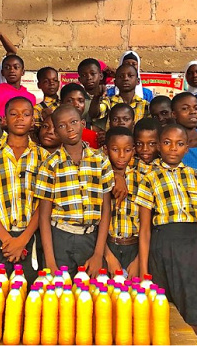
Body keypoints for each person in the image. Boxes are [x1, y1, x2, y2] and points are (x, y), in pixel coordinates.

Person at [135, 123, 197, 343]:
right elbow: (145, 229)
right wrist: (144, 270)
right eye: (167, 143)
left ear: (187, 148)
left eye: (179, 144)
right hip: (162, 244)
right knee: (162, 309)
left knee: (193, 307)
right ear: (158, 146)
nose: (173, 148)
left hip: (192, 245)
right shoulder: (150, 177)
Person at [0, 97, 48, 285]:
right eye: (14, 114)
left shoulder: (42, 156)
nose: (20, 118)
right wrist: (8, 240)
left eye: (26, 114)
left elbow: (45, 204)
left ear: (33, 120)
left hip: (29, 238)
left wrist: (22, 240)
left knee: (29, 300)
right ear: (4, 119)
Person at [35, 105, 114, 279]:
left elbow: (106, 209)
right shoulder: (50, 165)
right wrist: (50, 260)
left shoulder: (100, 160)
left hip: (91, 239)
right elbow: (44, 215)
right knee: (61, 298)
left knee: (89, 297)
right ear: (56, 131)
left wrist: (98, 253)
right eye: (62, 126)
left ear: (83, 124)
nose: (69, 128)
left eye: (73, 122)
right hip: (60, 238)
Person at [103, 127, 141, 278]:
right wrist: (108, 256)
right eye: (115, 149)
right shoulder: (100, 176)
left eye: (127, 150)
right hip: (107, 246)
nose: (121, 155)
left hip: (134, 247)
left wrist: (139, 260)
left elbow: (147, 224)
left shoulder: (142, 178)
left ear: (133, 150)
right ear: (105, 150)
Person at [90, 64, 149, 135]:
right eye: (121, 76)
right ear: (115, 82)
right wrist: (96, 97)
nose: (125, 79)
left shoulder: (145, 105)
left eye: (130, 76)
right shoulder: (109, 101)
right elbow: (94, 114)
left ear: (138, 81)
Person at [0, 55, 37, 119]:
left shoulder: (31, 97)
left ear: (23, 72)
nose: (11, 70)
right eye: (7, 67)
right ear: (2, 72)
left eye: (16, 67)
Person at [60, 83, 99, 149]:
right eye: (70, 101)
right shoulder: (55, 129)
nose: (76, 105)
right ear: (61, 103)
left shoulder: (95, 132)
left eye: (81, 101)